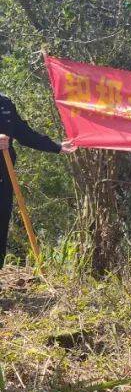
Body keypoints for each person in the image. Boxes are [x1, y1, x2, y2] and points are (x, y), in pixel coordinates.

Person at [0, 93, 76, 268]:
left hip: (4, 176)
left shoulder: (5, 103)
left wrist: (55, 146)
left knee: (1, 225)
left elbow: (24, 134)